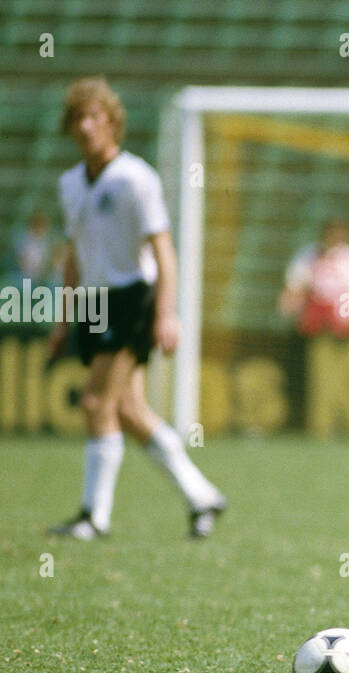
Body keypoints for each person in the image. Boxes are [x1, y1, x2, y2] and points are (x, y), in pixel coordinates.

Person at [47, 76, 226, 540]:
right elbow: (73, 255)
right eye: (79, 118)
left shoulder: (135, 178)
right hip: (94, 301)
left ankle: (94, 516)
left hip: (132, 299)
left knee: (94, 402)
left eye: (96, 117)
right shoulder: (70, 184)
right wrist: (63, 319)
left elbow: (164, 252)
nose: (86, 126)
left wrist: (166, 314)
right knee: (127, 411)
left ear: (112, 124)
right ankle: (202, 496)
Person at [277, 219, 349, 339]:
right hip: (316, 297)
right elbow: (295, 282)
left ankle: (343, 342)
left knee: (344, 323)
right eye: (331, 233)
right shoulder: (309, 253)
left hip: (344, 299)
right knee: (307, 325)